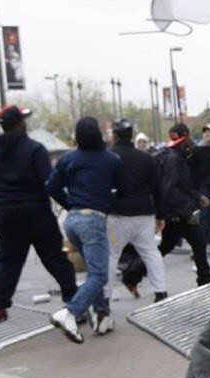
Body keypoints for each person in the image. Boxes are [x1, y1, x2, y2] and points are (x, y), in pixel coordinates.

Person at [0, 106, 78, 324]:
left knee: (9, 261)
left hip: (7, 214)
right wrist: (70, 205)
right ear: (21, 124)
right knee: (55, 258)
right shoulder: (35, 149)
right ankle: (74, 304)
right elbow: (49, 183)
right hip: (37, 211)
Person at [46, 117, 125, 343]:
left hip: (72, 221)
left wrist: (70, 204)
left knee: (93, 269)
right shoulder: (111, 160)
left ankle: (102, 316)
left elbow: (51, 187)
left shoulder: (67, 159)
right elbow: (123, 190)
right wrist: (105, 203)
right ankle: (70, 312)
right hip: (94, 220)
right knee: (100, 274)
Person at [106, 119, 168, 303]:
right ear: (131, 136)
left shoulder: (109, 157)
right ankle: (161, 292)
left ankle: (105, 298)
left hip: (117, 214)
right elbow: (158, 188)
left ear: (115, 136)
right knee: (151, 252)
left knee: (111, 255)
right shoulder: (146, 158)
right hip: (144, 213)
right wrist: (161, 215)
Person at [158, 123, 210, 286]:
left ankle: (134, 273)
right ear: (185, 137)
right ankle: (204, 280)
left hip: (174, 211)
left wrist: (197, 197)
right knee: (198, 242)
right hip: (178, 212)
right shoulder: (175, 159)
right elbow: (171, 189)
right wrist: (187, 212)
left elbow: (183, 185)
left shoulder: (173, 156)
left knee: (167, 245)